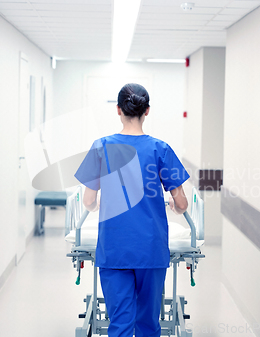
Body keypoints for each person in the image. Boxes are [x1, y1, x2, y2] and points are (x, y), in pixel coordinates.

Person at [74, 83, 189, 337]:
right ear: (147, 111)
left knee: (120, 324)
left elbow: (88, 201)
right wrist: (174, 206)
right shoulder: (161, 149)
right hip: (150, 250)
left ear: (118, 110)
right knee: (148, 324)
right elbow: (181, 204)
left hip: (115, 250)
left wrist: (96, 205)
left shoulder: (101, 147)